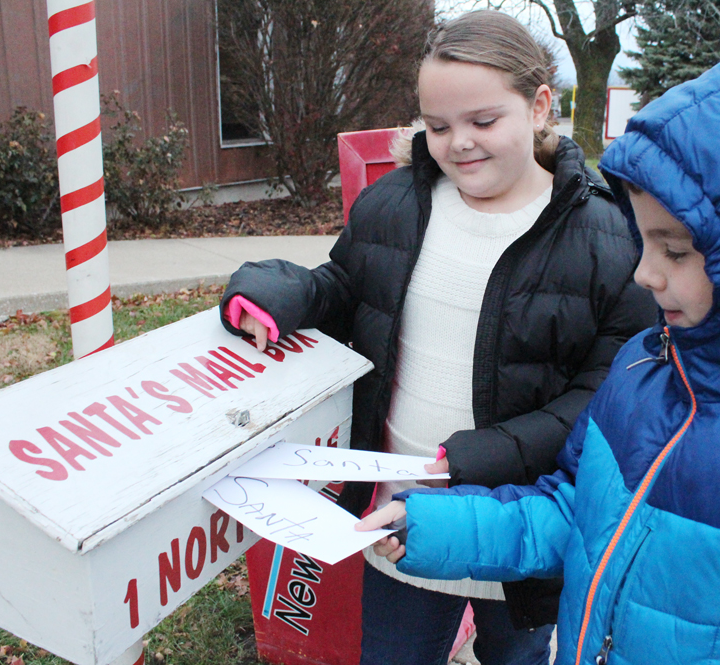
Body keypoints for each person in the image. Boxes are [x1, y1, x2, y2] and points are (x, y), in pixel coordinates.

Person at [358, 51, 720, 664]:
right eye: (643, 240)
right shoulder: (645, 370)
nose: (644, 273)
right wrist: (434, 524)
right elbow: (572, 510)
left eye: (676, 252)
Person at [220, 10, 653, 664]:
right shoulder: (395, 203)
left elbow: (604, 392)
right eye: (438, 125)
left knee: (519, 655)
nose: (458, 144)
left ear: (539, 106)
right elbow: (346, 285)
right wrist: (275, 293)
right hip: (401, 517)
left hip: (524, 526)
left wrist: (477, 457)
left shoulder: (607, 237)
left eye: (482, 121)